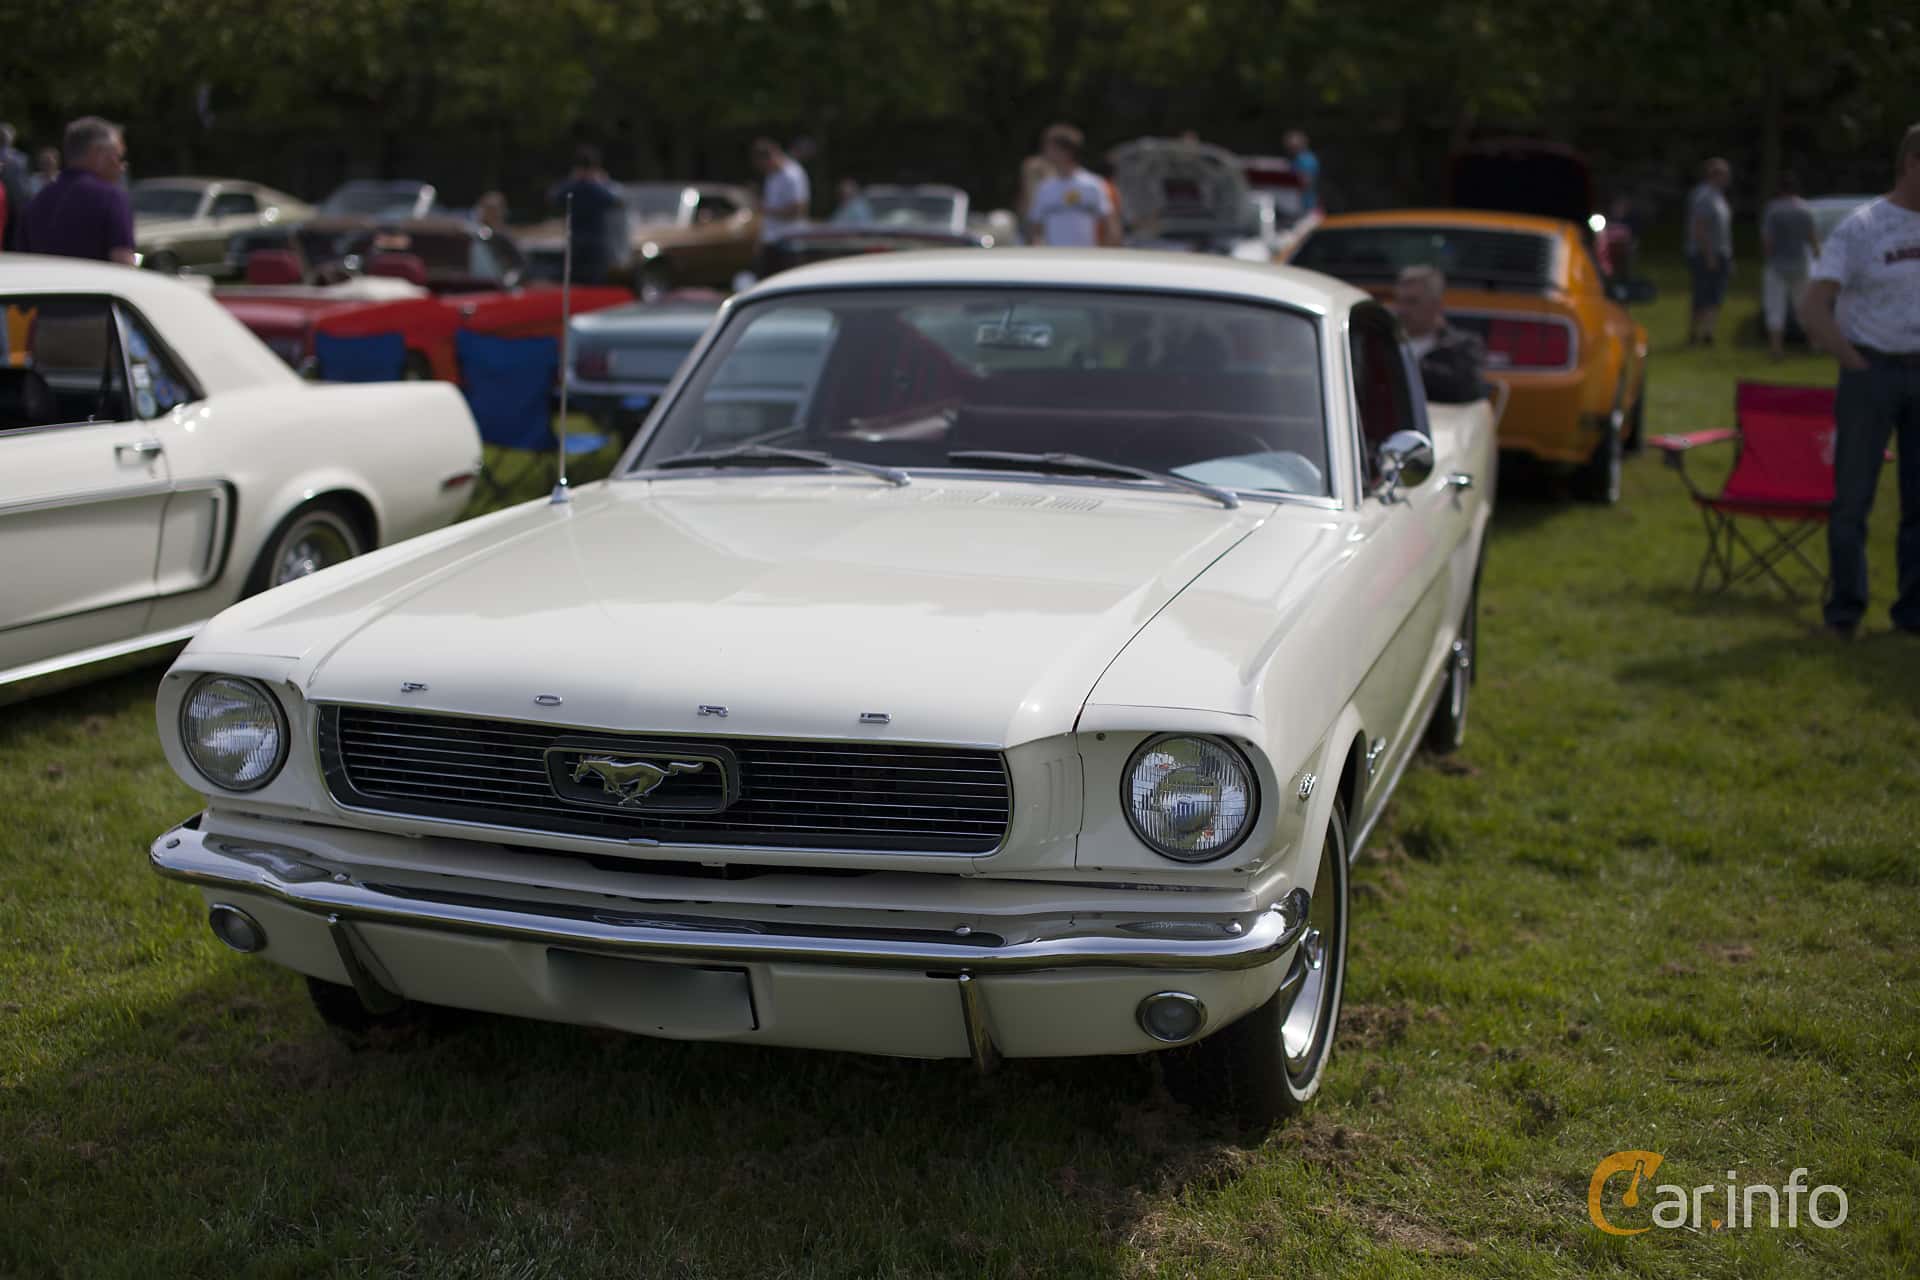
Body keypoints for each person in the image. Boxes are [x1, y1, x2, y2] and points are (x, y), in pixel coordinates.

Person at [1800, 123, 1920, 639]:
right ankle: (1845, 611)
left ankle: (1912, 616)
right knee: (1852, 499)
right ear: (1911, 163)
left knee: (1919, 504)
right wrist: (1852, 361)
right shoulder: (1863, 227)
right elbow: (1813, 305)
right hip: (1871, 372)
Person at [21, 116, 134, 263]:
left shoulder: (35, 203)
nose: (121, 165)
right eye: (118, 156)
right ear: (98, 153)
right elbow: (123, 263)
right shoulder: (111, 197)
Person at [1393, 265, 1486, 403]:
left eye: (1412, 302)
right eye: (1399, 301)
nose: (1402, 310)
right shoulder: (1384, 341)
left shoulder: (1462, 346)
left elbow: (1466, 389)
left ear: (1436, 305)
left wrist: (1404, 366)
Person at [1760, 171, 1819, 360]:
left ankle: (1776, 349)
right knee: (1803, 307)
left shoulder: (1773, 209)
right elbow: (1812, 239)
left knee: (1775, 307)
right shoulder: (1805, 209)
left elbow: (1768, 240)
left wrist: (1768, 257)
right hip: (1800, 264)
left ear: (1780, 189)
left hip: (1777, 265)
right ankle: (1814, 344)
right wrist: (1818, 255)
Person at [1026, 124, 1112, 248]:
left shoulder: (1093, 185)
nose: (1045, 153)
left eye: (1050, 148)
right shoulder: (1045, 188)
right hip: (1054, 261)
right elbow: (1035, 230)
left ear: (1066, 151)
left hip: (1087, 260)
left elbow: (1110, 227)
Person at [547, 145, 623, 285]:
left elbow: (553, 196)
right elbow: (616, 201)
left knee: (574, 283)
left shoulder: (570, 187)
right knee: (595, 282)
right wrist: (602, 182)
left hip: (574, 241)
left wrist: (572, 180)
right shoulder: (596, 188)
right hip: (595, 244)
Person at [1684, 157, 1733, 346]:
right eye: (1725, 174)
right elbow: (1699, 227)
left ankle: (1708, 332)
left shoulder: (1718, 196)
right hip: (1705, 254)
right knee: (1702, 293)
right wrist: (1709, 254)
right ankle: (1694, 332)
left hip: (1720, 252)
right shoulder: (1705, 196)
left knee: (1715, 294)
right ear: (1715, 175)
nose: (1728, 178)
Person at [751, 137, 811, 240]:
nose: (763, 168)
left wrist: (764, 210)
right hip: (771, 238)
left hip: (790, 239)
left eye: (763, 164)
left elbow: (798, 210)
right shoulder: (771, 175)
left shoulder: (793, 174)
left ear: (771, 156)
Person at [1284, 129, 1320, 212]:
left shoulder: (1306, 160)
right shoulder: (1296, 159)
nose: (1290, 148)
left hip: (1306, 205)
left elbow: (1307, 181)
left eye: (1293, 146)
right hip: (1297, 204)